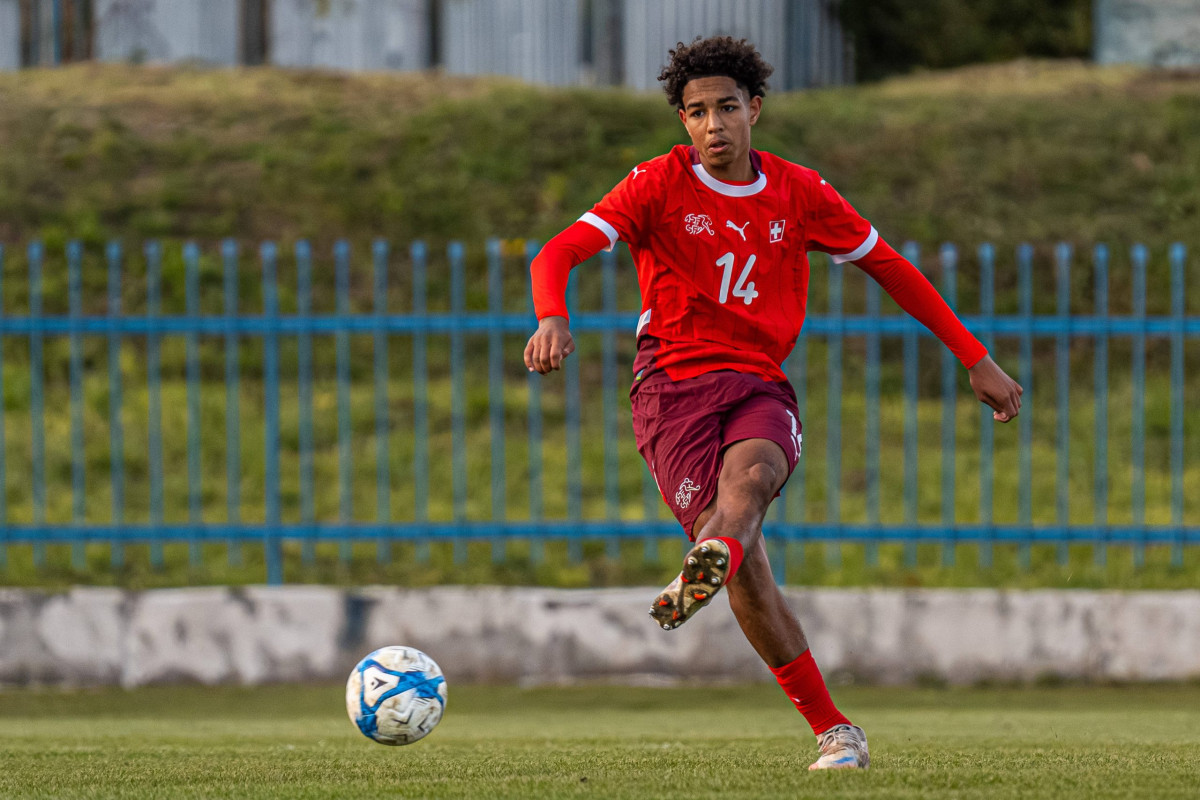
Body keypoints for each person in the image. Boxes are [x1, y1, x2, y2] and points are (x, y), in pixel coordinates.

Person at [523, 36, 1022, 771]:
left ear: (754, 109)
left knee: (755, 477)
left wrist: (975, 358)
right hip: (670, 392)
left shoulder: (800, 192)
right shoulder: (656, 184)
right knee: (748, 569)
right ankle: (831, 723)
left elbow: (891, 268)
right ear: (684, 121)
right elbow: (557, 251)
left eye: (727, 107)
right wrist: (552, 316)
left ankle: (714, 559)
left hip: (757, 381)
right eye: (697, 112)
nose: (713, 124)